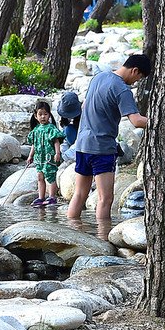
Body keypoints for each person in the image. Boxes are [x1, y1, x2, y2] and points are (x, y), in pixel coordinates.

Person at [67, 53, 152, 231]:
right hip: (102, 149)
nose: (136, 82)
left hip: (82, 144)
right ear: (135, 70)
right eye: (139, 77)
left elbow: (84, 107)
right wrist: (158, 121)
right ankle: (103, 238)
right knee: (105, 198)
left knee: (79, 193)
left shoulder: (99, 77)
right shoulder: (122, 89)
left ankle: (70, 232)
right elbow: (136, 121)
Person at [25, 100, 65, 208]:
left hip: (49, 157)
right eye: (40, 114)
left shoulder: (51, 128)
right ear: (35, 116)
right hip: (39, 158)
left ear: (49, 115)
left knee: (50, 176)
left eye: (45, 114)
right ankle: (41, 197)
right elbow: (34, 144)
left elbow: (56, 141)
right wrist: (30, 156)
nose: (43, 117)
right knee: (40, 176)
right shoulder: (36, 130)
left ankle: (52, 196)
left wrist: (57, 153)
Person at [56, 91, 82, 160]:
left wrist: (66, 156)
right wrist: (62, 152)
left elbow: (81, 140)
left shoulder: (84, 118)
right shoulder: (61, 119)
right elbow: (62, 138)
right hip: (70, 141)